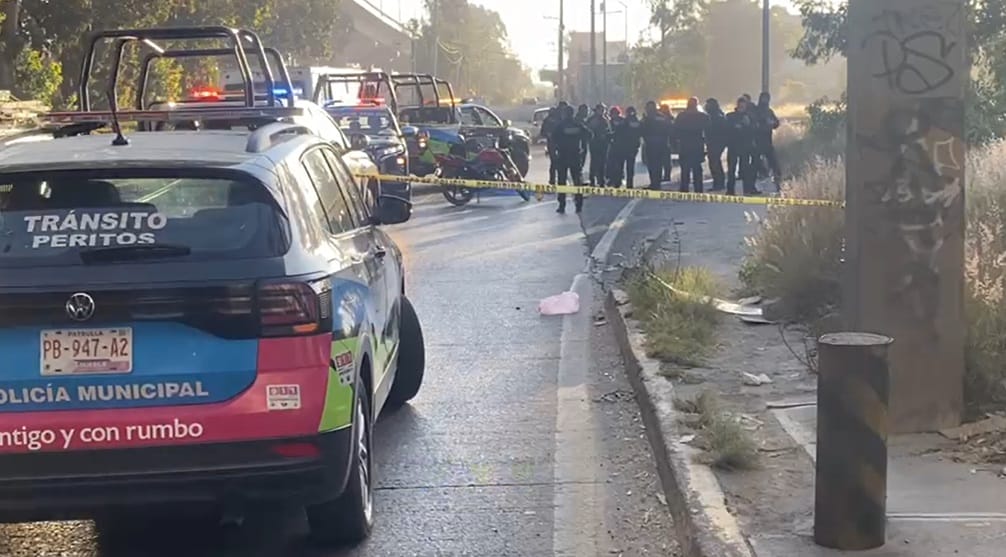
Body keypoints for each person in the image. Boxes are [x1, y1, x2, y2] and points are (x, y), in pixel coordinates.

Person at [549, 104, 591, 213]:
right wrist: (581, 144)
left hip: (563, 156)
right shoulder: (578, 125)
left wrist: (554, 153)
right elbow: (590, 135)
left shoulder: (560, 126)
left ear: (564, 114)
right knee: (577, 181)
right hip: (575, 156)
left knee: (562, 182)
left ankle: (562, 205)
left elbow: (552, 139)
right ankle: (579, 205)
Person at [673, 97, 709, 193]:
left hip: (685, 145)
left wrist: (676, 142)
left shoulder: (681, 116)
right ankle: (698, 189)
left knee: (685, 168)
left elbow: (675, 130)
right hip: (697, 145)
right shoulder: (702, 116)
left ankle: (684, 188)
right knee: (697, 168)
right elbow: (708, 130)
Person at [725, 96, 758, 196]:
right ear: (737, 105)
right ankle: (730, 191)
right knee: (731, 170)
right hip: (733, 146)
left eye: (743, 106)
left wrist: (747, 125)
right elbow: (726, 129)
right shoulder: (730, 116)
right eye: (740, 106)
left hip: (745, 147)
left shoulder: (750, 117)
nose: (741, 108)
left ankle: (747, 190)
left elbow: (754, 130)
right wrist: (735, 126)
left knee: (745, 170)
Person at [640, 101, 673, 190]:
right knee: (655, 165)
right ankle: (656, 183)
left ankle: (655, 184)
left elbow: (642, 130)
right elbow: (670, 128)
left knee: (653, 165)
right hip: (660, 144)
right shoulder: (662, 117)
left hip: (653, 144)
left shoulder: (647, 118)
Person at [754, 92, 782, 186]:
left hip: (767, 140)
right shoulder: (756, 110)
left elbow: (777, 123)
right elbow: (754, 124)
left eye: (767, 98)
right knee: (755, 161)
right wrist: (764, 124)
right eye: (763, 98)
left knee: (774, 163)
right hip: (757, 140)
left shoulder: (769, 111)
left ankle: (777, 180)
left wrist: (772, 123)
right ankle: (760, 175)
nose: (765, 100)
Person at [704, 98, 729, 191]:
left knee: (715, 163)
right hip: (713, 142)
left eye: (708, 104)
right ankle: (718, 183)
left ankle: (719, 183)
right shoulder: (712, 115)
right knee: (714, 163)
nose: (706, 106)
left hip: (716, 142)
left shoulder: (717, 116)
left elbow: (721, 130)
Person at [586, 104, 610, 187]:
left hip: (604, 144)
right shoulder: (592, 120)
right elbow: (588, 131)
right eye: (600, 110)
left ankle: (601, 180)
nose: (602, 111)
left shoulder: (605, 119)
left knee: (603, 163)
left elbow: (608, 130)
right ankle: (592, 180)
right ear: (596, 110)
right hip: (595, 143)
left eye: (603, 110)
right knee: (594, 162)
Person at [542, 103, 566, 185]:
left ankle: (558, 180)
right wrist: (549, 134)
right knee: (555, 162)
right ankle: (554, 180)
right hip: (554, 143)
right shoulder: (554, 119)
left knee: (558, 163)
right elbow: (543, 132)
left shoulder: (562, 118)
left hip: (560, 143)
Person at [658, 104, 675, 182]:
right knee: (661, 161)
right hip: (662, 141)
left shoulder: (670, 118)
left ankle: (667, 176)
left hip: (666, 141)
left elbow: (672, 129)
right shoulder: (658, 118)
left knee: (666, 161)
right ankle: (661, 176)